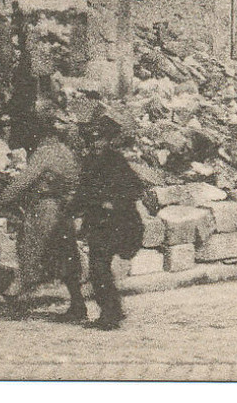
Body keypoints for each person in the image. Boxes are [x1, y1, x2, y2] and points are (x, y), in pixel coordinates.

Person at [0, 114, 83, 310]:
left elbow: (24, 180)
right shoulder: (66, 151)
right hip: (64, 208)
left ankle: (17, 293)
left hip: (46, 207)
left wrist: (2, 198)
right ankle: (77, 302)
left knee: (29, 246)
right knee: (66, 253)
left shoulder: (45, 152)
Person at [68, 114, 146, 329]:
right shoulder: (90, 162)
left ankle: (110, 314)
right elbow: (83, 194)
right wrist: (72, 210)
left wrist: (113, 202)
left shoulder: (115, 161)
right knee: (98, 268)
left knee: (99, 267)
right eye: (91, 139)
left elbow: (136, 188)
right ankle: (112, 310)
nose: (94, 143)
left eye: (99, 138)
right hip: (99, 223)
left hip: (118, 222)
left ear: (108, 139)